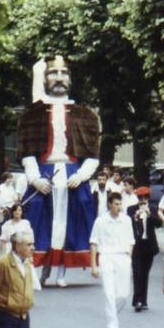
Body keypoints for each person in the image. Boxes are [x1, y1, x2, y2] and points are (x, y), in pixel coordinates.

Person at [17, 55, 101, 287]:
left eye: (64, 73)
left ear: (70, 79)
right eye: (53, 73)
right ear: (44, 78)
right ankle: (36, 268)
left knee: (69, 225)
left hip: (73, 175)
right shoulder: (32, 114)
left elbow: (92, 156)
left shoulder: (86, 115)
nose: (59, 78)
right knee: (36, 220)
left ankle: (62, 271)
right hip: (44, 174)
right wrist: (34, 179)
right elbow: (27, 153)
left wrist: (81, 175)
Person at [90, 193, 135, 328]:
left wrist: (129, 256)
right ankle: (112, 324)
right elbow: (94, 243)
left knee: (123, 294)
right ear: (109, 204)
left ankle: (112, 313)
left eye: (120, 204)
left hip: (122, 257)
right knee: (109, 292)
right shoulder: (100, 221)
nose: (118, 207)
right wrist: (93, 265)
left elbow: (131, 241)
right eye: (116, 204)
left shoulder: (126, 220)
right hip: (106, 257)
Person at [129, 186, 161, 312]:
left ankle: (144, 300)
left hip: (149, 244)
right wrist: (135, 217)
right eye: (140, 198)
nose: (142, 200)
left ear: (148, 198)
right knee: (137, 273)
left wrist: (149, 215)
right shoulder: (131, 209)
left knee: (145, 273)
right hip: (137, 245)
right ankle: (137, 300)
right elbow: (128, 224)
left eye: (144, 197)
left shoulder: (153, 208)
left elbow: (159, 224)